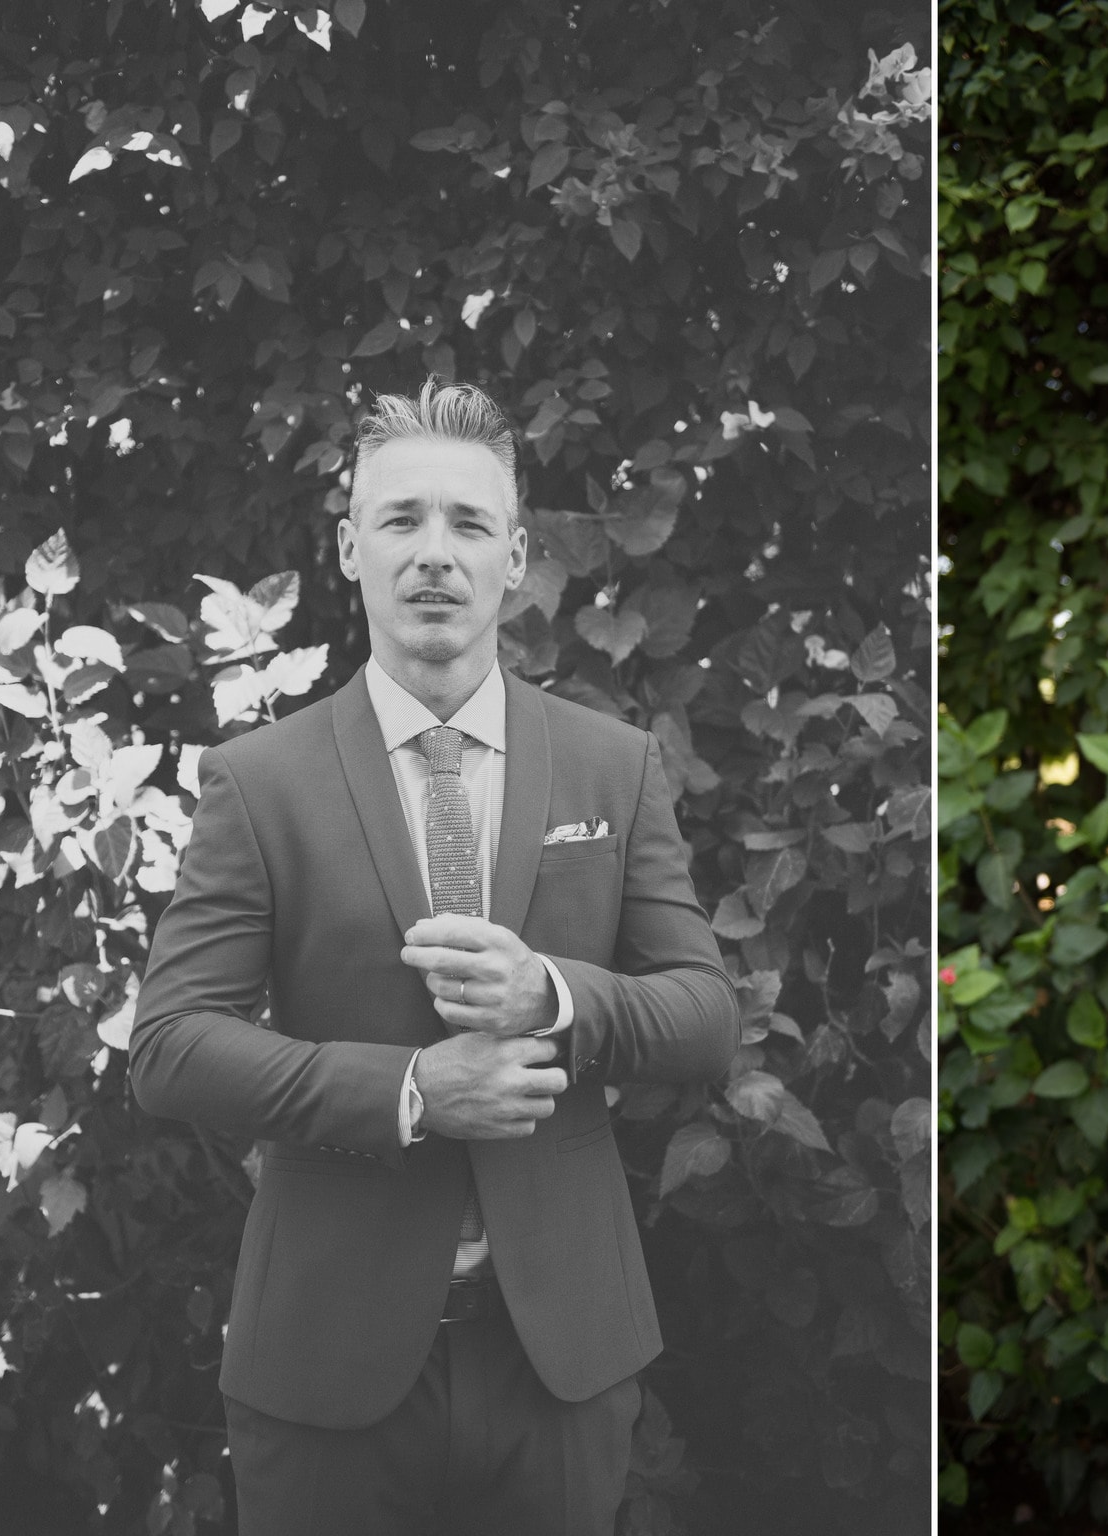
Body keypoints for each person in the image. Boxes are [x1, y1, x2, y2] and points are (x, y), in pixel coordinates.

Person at [128, 379, 739, 1536]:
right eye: (400, 521)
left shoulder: (613, 767)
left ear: (516, 559)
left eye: (466, 525)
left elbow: (706, 1018)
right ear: (349, 548)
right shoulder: (260, 783)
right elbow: (168, 1050)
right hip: (326, 1362)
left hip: (560, 1358)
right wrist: (411, 1090)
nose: (432, 555)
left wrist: (551, 995)